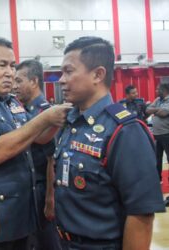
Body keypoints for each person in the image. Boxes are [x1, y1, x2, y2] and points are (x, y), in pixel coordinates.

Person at [0, 37, 71, 250]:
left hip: (25, 213)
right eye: (2, 65)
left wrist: (58, 118)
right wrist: (45, 118)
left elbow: (38, 137)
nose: (10, 72)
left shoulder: (12, 103)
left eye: (12, 65)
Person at [54, 36, 165, 250]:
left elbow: (141, 215)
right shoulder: (71, 122)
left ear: (98, 74)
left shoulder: (125, 130)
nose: (61, 79)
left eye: (68, 71)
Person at [13, 59, 61, 250]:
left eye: (19, 81)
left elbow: (51, 159)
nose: (15, 87)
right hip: (29, 188)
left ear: (34, 81)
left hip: (42, 188)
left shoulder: (46, 113)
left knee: (47, 241)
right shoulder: (21, 110)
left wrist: (50, 198)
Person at [146, 82, 169, 183]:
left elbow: (164, 113)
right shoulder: (158, 100)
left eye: (157, 89)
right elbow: (147, 110)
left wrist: (154, 110)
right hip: (157, 135)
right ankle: (158, 179)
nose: (156, 91)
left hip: (167, 134)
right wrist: (158, 110)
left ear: (164, 90)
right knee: (157, 158)